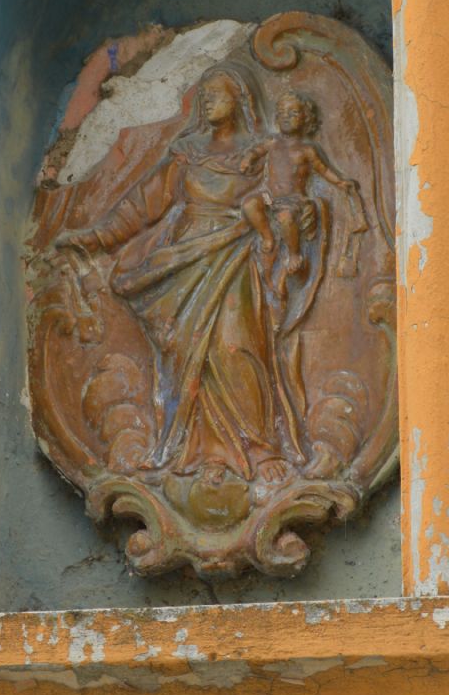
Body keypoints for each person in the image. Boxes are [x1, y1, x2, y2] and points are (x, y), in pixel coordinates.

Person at [56, 69, 305, 483]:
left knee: (234, 346)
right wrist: (95, 239)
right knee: (185, 350)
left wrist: (292, 223)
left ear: (240, 100)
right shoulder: (187, 154)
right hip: (184, 259)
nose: (207, 100)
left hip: (233, 256)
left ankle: (259, 448)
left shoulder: (260, 154)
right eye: (203, 94)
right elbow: (141, 206)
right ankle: (198, 450)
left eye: (217, 94)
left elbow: (286, 196)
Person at [240, 91, 358, 296]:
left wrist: (339, 182)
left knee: (286, 218)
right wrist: (247, 159)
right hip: (269, 197)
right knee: (249, 204)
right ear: (276, 117)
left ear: (306, 118)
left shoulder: (307, 150)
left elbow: (323, 170)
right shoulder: (272, 142)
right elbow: (256, 151)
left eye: (293, 113)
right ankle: (267, 236)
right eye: (282, 113)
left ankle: (294, 253)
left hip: (293, 200)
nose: (286, 117)